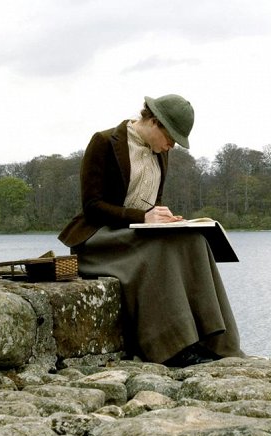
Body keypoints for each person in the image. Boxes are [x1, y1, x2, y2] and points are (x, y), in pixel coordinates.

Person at [58, 94, 243, 367]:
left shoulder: (161, 154)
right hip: (100, 238)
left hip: (135, 234)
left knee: (195, 241)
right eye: (171, 138)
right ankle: (172, 347)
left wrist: (163, 218)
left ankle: (214, 341)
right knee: (160, 250)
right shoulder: (104, 142)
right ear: (154, 122)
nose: (171, 146)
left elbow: (148, 203)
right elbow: (92, 205)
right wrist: (143, 217)